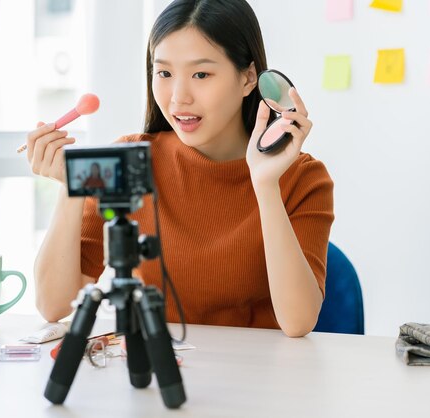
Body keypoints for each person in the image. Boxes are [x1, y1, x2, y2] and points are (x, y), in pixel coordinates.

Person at [25, 0, 334, 337]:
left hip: (258, 378)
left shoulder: (304, 178)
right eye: (164, 73)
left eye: (201, 74)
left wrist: (264, 183)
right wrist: (73, 185)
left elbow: (298, 322)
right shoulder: (128, 160)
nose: (177, 98)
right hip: (156, 371)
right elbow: (54, 305)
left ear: (248, 78)